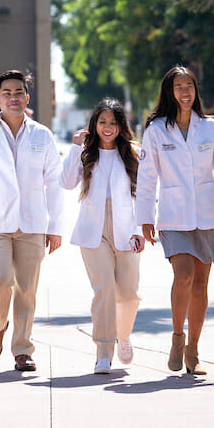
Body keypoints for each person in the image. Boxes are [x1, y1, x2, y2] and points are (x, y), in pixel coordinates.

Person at [136, 65, 214, 376]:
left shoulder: (211, 128)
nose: (184, 92)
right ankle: (177, 338)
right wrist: (144, 217)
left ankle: (194, 348)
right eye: (178, 87)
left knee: (201, 285)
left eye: (189, 86)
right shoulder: (156, 131)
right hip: (173, 216)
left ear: (196, 91)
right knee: (183, 276)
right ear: (169, 92)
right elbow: (147, 177)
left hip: (207, 216)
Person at [0, 70, 65, 372]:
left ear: (27, 97)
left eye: (19, 92)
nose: (14, 97)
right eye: (7, 93)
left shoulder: (42, 135)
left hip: (32, 224)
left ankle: (22, 349)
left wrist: (55, 227)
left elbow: (54, 182)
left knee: (26, 289)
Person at [60, 99, 144, 374]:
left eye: (113, 122)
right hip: (92, 231)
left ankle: (124, 335)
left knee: (129, 295)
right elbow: (67, 182)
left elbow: (146, 193)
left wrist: (142, 228)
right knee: (104, 290)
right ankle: (103, 352)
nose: (108, 127)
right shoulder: (86, 152)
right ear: (94, 124)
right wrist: (75, 148)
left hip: (126, 229)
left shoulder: (133, 153)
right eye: (102, 122)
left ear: (121, 126)